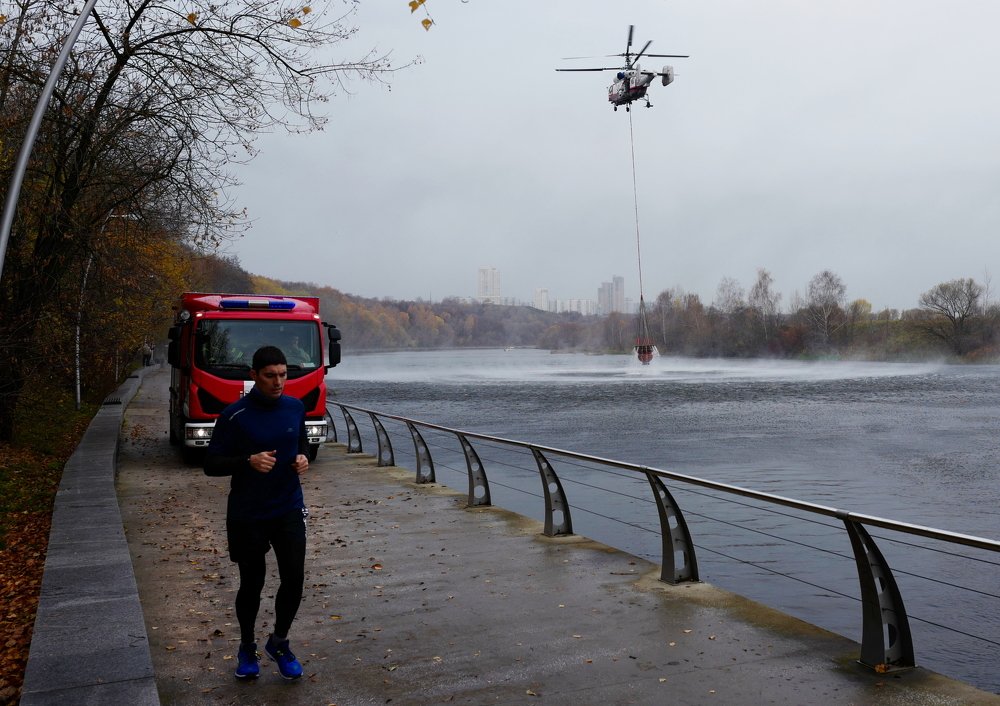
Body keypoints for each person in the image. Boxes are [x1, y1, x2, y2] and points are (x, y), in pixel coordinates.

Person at [204, 345, 310, 680]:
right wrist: (247, 461)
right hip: (248, 513)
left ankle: (279, 642)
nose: (278, 382)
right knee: (252, 583)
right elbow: (211, 464)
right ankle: (247, 646)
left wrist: (304, 458)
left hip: (288, 506)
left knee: (294, 578)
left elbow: (302, 442)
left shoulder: (295, 408)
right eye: (270, 376)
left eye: (283, 375)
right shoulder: (234, 416)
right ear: (254, 376)